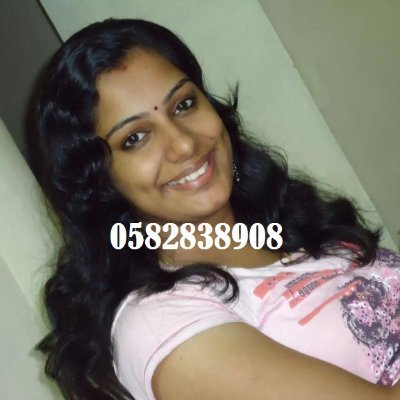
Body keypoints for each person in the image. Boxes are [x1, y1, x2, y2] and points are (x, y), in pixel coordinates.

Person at [34, 18, 400, 400]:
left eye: (183, 105)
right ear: (100, 183)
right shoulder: (159, 325)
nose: (184, 144)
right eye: (135, 138)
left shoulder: (293, 227)